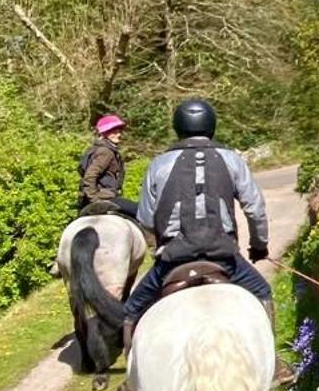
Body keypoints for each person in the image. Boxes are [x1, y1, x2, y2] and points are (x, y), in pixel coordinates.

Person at [119, 98, 273, 343]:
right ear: (211, 125)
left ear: (177, 127)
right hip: (223, 257)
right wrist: (259, 245)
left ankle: (131, 378)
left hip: (173, 260)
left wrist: (159, 247)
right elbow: (255, 209)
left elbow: (146, 219)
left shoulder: (158, 164)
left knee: (130, 310)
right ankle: (273, 362)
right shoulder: (232, 159)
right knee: (263, 292)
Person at [78, 113, 137, 219]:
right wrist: (95, 200)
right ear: (104, 133)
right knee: (140, 211)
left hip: (100, 196)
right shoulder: (106, 152)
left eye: (119, 131)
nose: (118, 134)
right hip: (105, 197)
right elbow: (90, 176)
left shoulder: (98, 149)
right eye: (114, 131)